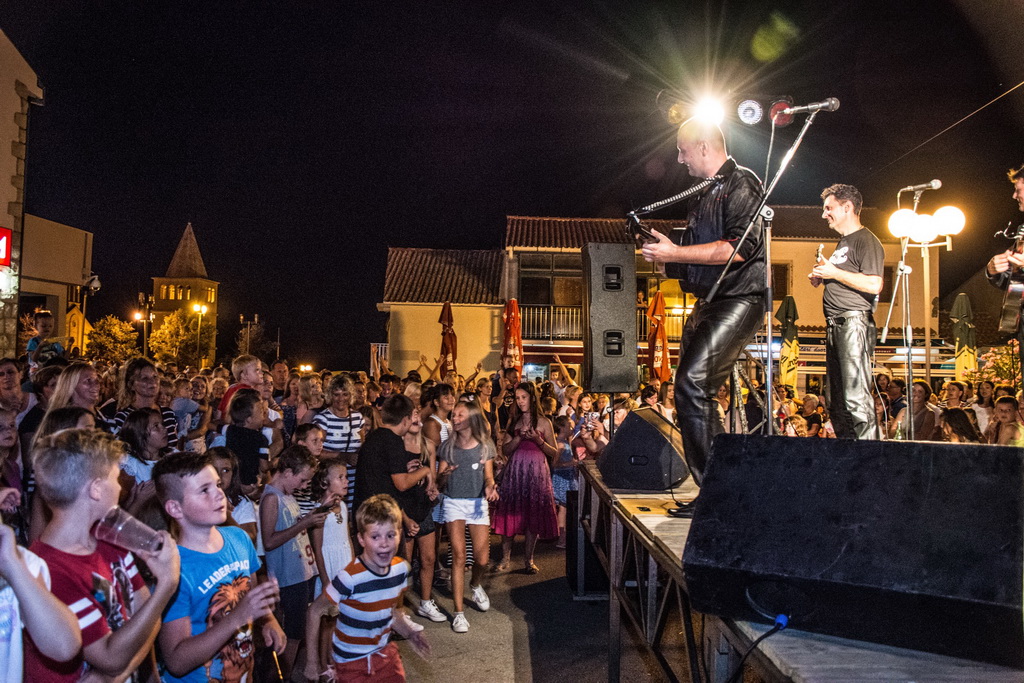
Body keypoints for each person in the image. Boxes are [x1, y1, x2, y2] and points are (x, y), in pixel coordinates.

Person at [640, 118, 766, 484]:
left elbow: (739, 248)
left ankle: (716, 490)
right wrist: (670, 260)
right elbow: (699, 256)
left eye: (683, 149)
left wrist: (676, 253)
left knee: (694, 385)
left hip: (739, 298)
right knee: (689, 390)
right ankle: (713, 486)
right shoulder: (706, 193)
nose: (680, 159)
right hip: (709, 301)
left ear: (705, 147)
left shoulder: (742, 182)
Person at [26, 429, 181, 682]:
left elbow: (148, 619)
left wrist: (112, 676)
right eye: (116, 478)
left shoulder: (111, 539)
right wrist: (166, 585)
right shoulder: (47, 572)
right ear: (96, 489)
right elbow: (110, 658)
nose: (120, 488)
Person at [154, 452, 286, 682]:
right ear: (175, 509)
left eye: (217, 484)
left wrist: (268, 620)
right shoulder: (174, 567)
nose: (219, 494)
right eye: (204, 490)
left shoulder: (238, 538)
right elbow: (176, 661)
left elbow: (250, 597)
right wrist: (238, 617)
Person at [304, 494, 429, 682]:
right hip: (351, 664)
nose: (384, 543)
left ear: (399, 534)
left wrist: (410, 633)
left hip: (384, 656)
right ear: (361, 539)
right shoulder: (350, 577)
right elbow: (314, 611)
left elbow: (391, 613)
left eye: (390, 535)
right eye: (375, 536)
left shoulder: (400, 569)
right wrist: (312, 662)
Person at [809, 184, 884, 440]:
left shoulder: (866, 240)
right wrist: (824, 277)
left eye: (828, 208)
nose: (824, 214)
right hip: (836, 326)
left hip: (854, 324)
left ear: (847, 207)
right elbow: (846, 277)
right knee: (836, 400)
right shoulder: (843, 242)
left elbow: (874, 284)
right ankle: (848, 456)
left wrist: (834, 273)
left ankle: (871, 462)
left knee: (855, 398)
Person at [259, 444, 328, 678]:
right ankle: (282, 676)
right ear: (287, 472)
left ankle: (285, 674)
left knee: (296, 632)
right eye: (302, 480)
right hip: (287, 578)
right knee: (293, 633)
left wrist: (307, 519)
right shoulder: (271, 498)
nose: (305, 485)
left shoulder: (287, 495)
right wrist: (304, 524)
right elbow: (269, 541)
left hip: (301, 573)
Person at [437, 401, 498, 633]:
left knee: (482, 560)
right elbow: (439, 483)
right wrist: (445, 474)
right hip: (453, 502)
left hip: (477, 503)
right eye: (454, 415)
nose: (454, 418)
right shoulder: (448, 446)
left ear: (471, 418)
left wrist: (491, 487)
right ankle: (458, 612)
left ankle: (475, 584)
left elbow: (489, 478)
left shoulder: (485, 446)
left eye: (459, 414)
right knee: (459, 555)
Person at [493, 382, 559, 573]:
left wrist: (538, 440)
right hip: (515, 472)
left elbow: (554, 452)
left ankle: (528, 560)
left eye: (523, 397)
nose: (520, 401)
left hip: (537, 473)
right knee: (510, 513)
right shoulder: (514, 421)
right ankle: (505, 558)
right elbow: (504, 449)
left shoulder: (545, 422)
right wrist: (518, 438)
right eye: (517, 398)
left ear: (532, 397)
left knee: (533, 515)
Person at [986, 163, 1024, 374]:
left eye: (1018, 189)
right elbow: (1014, 283)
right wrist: (994, 270)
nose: (1014, 195)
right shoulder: (1022, 233)